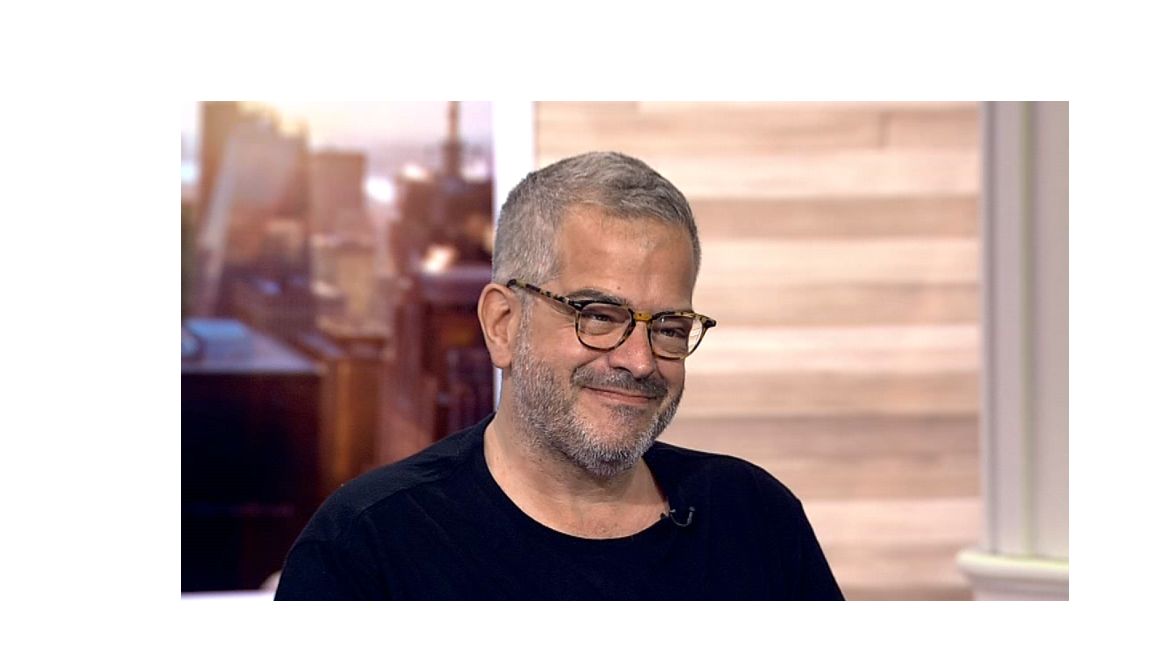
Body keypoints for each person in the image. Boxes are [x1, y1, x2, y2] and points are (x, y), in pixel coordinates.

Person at [275, 151, 844, 600]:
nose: (639, 361)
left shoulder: (754, 517)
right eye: (598, 316)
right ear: (503, 325)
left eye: (669, 326)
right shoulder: (366, 547)